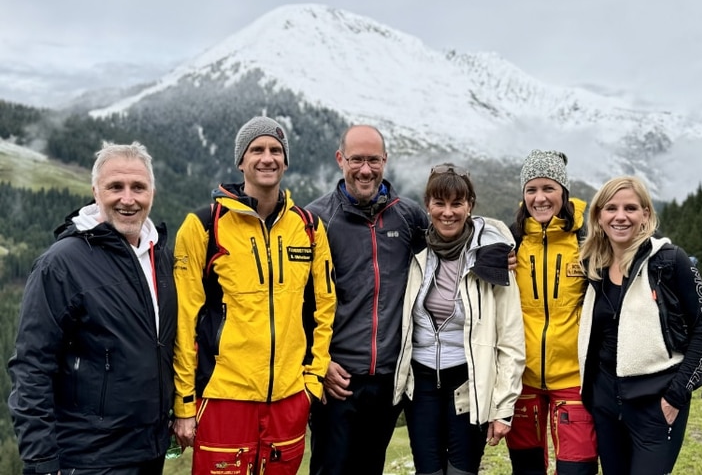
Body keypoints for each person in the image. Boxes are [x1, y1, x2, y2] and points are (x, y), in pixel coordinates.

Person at [171, 116, 336, 474]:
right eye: (256, 149)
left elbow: (325, 307)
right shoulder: (202, 226)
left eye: (276, 150)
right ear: (240, 161)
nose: (267, 158)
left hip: (290, 399)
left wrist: (313, 380)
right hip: (223, 397)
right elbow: (184, 321)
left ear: (286, 161)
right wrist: (184, 401)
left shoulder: (308, 228)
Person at [7, 141, 176, 475]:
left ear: (151, 193)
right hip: (88, 458)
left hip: (149, 451)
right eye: (115, 187)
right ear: (96, 192)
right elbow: (31, 366)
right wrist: (41, 460)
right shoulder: (61, 264)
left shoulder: (161, 257)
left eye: (138, 187)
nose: (128, 199)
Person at [306, 124, 430, 475]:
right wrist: (318, 363)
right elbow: (297, 302)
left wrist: (501, 249)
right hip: (337, 380)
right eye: (356, 159)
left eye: (373, 160)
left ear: (385, 161)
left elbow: (452, 242)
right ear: (340, 160)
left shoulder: (408, 217)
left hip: (389, 381)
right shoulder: (316, 219)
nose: (365, 169)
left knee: (371, 467)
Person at [393, 163, 526, 475]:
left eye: (457, 203)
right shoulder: (415, 253)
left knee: (461, 471)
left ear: (470, 206)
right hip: (421, 382)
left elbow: (510, 339)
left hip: (469, 382)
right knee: (429, 470)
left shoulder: (491, 256)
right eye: (439, 203)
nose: (448, 212)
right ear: (428, 206)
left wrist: (503, 408)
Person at [577, 176, 702, 475]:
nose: (620, 216)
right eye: (611, 208)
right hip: (605, 403)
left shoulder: (671, 261)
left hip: (657, 402)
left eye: (631, 208)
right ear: (599, 216)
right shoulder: (593, 264)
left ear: (646, 215)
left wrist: (676, 395)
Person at [505, 149, 599, 474]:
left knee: (577, 469)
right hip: (523, 379)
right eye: (531, 189)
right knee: (527, 470)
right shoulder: (511, 241)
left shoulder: (587, 240)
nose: (540, 198)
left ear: (564, 191)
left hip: (574, 379)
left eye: (549, 188)